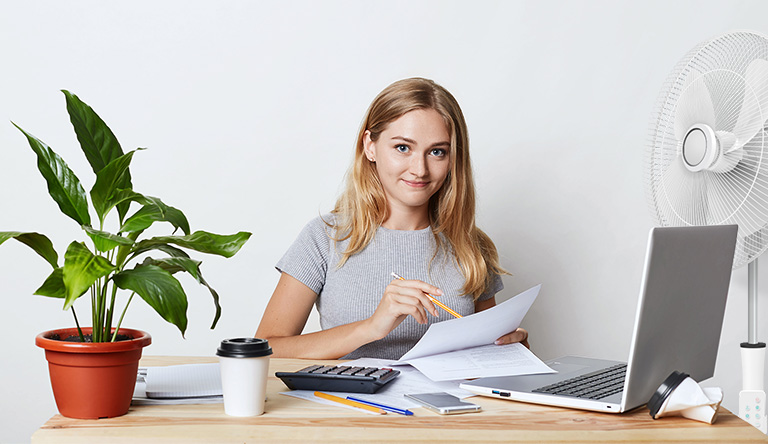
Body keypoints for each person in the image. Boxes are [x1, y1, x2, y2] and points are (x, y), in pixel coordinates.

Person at [255, 77, 528, 360]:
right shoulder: (324, 238)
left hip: (450, 404)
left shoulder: (471, 246)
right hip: (350, 404)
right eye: (402, 148)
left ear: (452, 159)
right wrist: (372, 327)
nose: (419, 169)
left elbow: (490, 356)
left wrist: (512, 348)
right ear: (370, 146)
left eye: (437, 152)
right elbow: (266, 348)